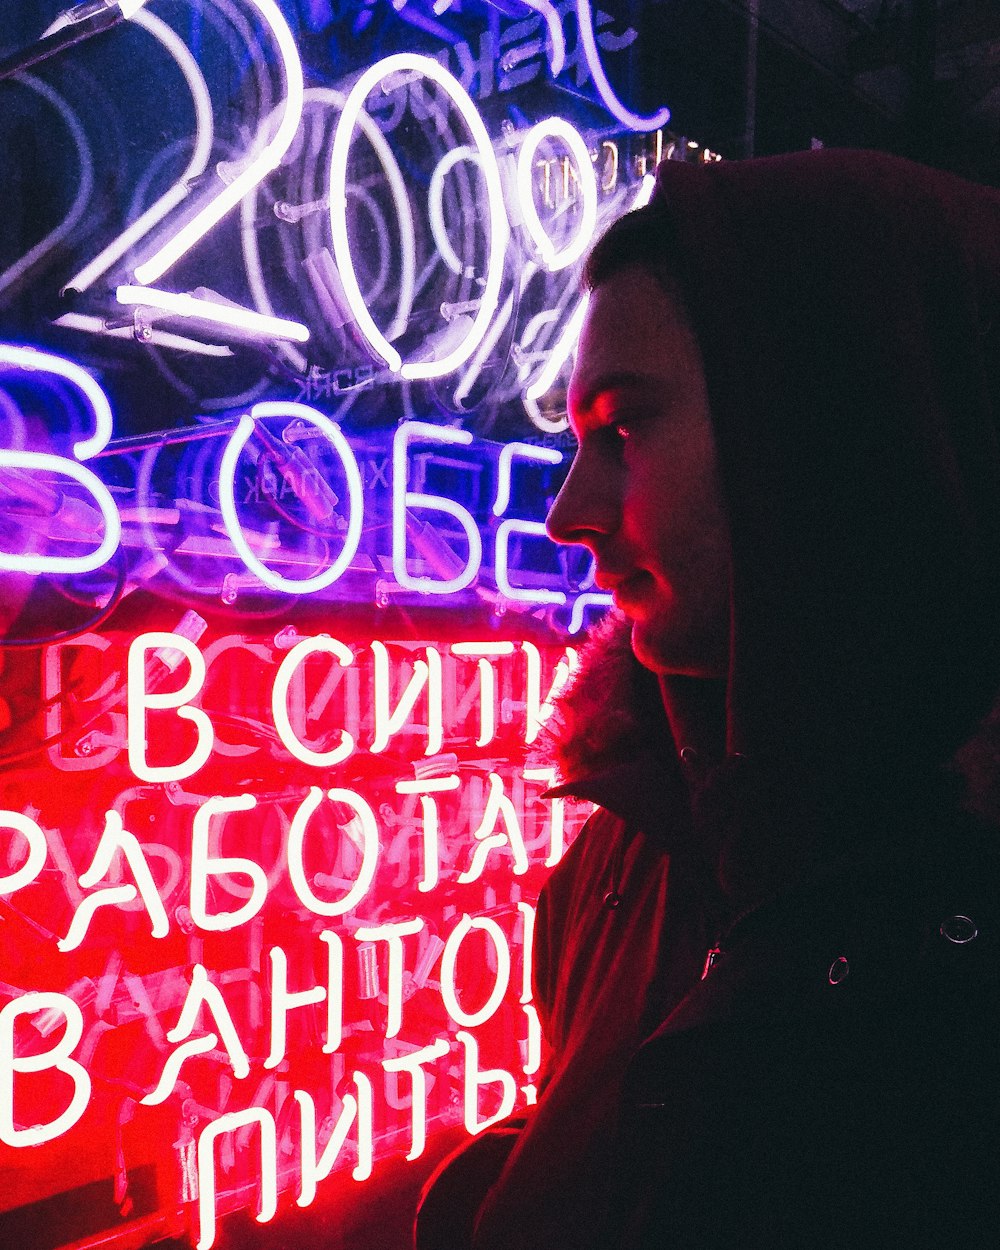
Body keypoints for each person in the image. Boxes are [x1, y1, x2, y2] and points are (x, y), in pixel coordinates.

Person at [415, 148, 1000, 1249]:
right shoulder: (623, 858)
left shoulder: (956, 925)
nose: (567, 511)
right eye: (574, 440)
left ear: (837, 434)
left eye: (623, 429)